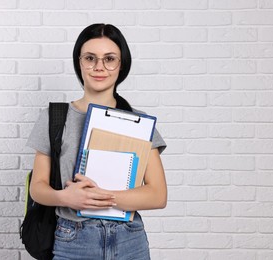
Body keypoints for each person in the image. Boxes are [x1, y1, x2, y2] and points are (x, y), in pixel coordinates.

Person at [26, 23, 167, 260]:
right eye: (90, 58)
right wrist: (65, 198)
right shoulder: (55, 118)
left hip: (129, 239)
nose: (99, 67)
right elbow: (37, 187)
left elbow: (157, 195)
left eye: (109, 59)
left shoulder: (139, 122)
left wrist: (100, 197)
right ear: (79, 62)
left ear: (121, 65)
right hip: (73, 240)